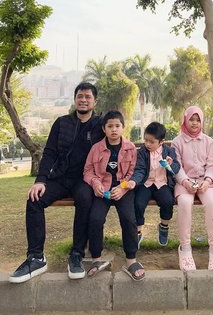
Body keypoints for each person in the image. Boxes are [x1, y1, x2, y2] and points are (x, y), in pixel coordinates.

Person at [9, 82, 104, 283]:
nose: (84, 100)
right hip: (60, 178)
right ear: (75, 99)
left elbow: (116, 136)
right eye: (80, 96)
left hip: (84, 179)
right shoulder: (61, 123)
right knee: (34, 199)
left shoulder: (99, 125)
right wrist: (40, 180)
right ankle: (36, 257)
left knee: (85, 198)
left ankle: (77, 253)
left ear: (95, 101)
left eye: (88, 96)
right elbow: (50, 153)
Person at [83, 110, 144, 280]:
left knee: (128, 219)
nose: (114, 130)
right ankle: (96, 258)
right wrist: (96, 184)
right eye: (110, 126)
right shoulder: (96, 148)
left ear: (123, 128)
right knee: (95, 219)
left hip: (123, 190)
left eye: (117, 126)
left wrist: (123, 188)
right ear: (104, 129)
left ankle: (131, 260)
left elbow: (133, 172)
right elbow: (87, 171)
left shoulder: (130, 148)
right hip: (103, 190)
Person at [172, 106, 213, 271]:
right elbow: (176, 167)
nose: (194, 123)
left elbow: (212, 165)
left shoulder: (209, 141)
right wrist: (185, 182)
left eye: (198, 120)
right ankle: (185, 249)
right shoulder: (177, 142)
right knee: (185, 203)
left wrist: (208, 180)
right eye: (191, 119)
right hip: (184, 183)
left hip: (204, 183)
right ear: (185, 119)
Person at [129, 122, 180, 247]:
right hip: (146, 183)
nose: (147, 144)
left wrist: (170, 164)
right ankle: (138, 231)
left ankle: (164, 226)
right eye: (146, 140)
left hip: (161, 183)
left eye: (151, 142)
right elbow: (140, 169)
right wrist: (134, 181)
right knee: (138, 203)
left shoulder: (169, 151)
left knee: (168, 202)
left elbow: (176, 168)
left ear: (161, 142)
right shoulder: (142, 152)